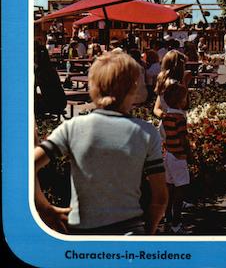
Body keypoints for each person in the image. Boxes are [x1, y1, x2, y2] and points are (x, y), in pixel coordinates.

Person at [34, 51, 168, 234]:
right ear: (133, 87)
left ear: (93, 86)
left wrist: (44, 208)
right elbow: (160, 199)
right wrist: (148, 232)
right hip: (129, 231)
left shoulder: (73, 128)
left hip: (82, 236)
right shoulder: (146, 133)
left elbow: (27, 166)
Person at [161, 82, 192, 234]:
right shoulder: (179, 117)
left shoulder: (167, 115)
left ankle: (167, 218)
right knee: (181, 189)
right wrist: (189, 152)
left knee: (170, 187)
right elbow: (183, 138)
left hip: (168, 155)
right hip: (179, 156)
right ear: (180, 100)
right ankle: (176, 222)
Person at [153, 50, 193, 119]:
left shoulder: (164, 82)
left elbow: (156, 108)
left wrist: (165, 117)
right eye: (184, 66)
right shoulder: (174, 85)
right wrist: (185, 82)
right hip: (176, 124)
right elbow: (184, 105)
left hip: (167, 123)